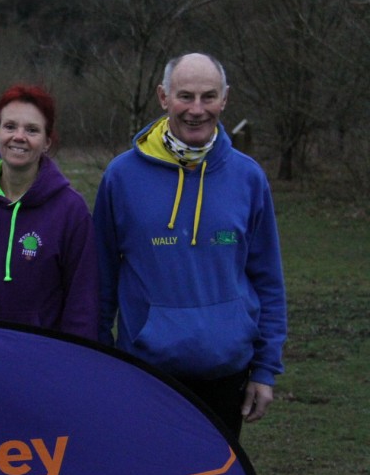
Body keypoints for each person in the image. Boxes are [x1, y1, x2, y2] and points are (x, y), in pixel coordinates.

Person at [93, 52, 287, 436]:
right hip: (145, 372)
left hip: (226, 372)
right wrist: (103, 360)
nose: (196, 110)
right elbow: (101, 279)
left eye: (208, 97)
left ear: (225, 98)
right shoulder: (121, 177)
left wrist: (265, 370)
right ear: (163, 97)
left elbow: (268, 281)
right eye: (185, 96)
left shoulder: (248, 178)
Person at [0, 84, 99, 339]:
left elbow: (82, 303)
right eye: (10, 127)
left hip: (43, 360)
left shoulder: (71, 211)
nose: (19, 137)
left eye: (32, 130)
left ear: (46, 142)